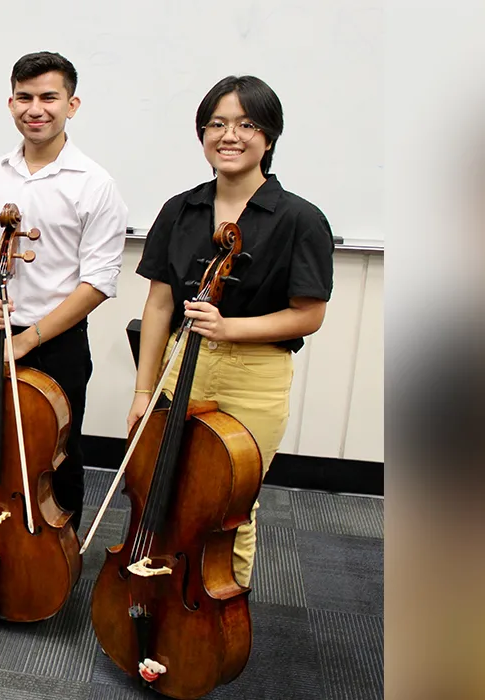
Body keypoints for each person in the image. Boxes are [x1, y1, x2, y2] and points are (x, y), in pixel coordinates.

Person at [129, 75, 333, 588]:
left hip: (254, 375)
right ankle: (158, 600)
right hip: (183, 365)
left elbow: (308, 314)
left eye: (246, 124)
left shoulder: (300, 219)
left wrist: (230, 327)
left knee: (230, 505)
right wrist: (142, 390)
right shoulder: (181, 209)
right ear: (202, 133)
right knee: (165, 491)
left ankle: (219, 613)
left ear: (268, 136)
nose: (229, 135)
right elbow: (158, 305)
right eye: (216, 124)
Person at [0, 51, 128, 532]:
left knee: (56, 456)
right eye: (25, 97)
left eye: (49, 97)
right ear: (10, 104)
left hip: (55, 341)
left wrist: (30, 340)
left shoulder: (94, 184)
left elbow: (98, 282)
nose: (37, 108)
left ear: (72, 105)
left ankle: (56, 559)